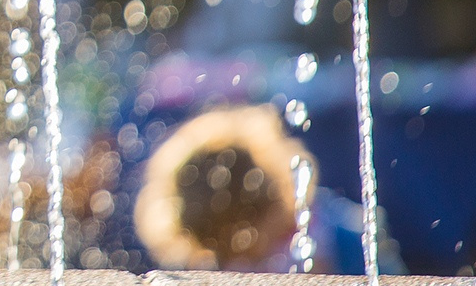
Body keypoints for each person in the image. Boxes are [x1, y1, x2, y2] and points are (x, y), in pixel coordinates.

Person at [133, 105, 403, 274]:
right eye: (223, 254)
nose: (244, 261)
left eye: (245, 246)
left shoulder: (343, 242)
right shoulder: (218, 266)